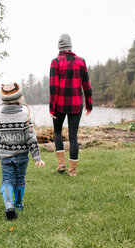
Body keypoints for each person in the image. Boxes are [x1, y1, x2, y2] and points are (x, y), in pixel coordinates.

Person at [0, 83, 45, 220]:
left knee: (7, 180)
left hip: (5, 158)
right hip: (21, 157)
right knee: (20, 179)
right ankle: (18, 203)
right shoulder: (25, 117)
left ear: (3, 101)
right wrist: (37, 157)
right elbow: (31, 139)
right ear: (20, 99)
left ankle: (9, 204)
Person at [49, 34, 93, 177]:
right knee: (73, 136)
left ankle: (61, 163)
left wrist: (52, 107)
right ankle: (72, 171)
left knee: (57, 132)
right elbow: (86, 84)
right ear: (70, 46)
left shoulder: (55, 62)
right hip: (76, 104)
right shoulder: (81, 62)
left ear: (59, 47)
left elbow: (53, 87)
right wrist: (89, 104)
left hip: (60, 104)